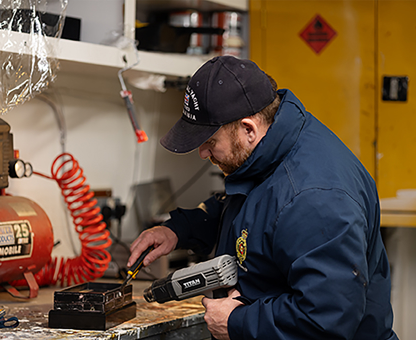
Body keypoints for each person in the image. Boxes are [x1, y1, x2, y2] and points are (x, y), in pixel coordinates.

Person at [127, 55, 398, 340]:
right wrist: (179, 230)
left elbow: (325, 319)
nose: (203, 153)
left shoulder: (315, 198)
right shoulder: (271, 150)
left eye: (210, 142)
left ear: (248, 129)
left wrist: (237, 322)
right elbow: (258, 210)